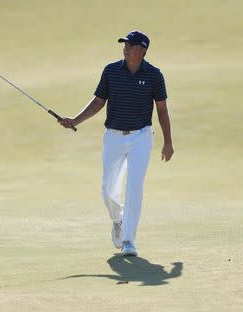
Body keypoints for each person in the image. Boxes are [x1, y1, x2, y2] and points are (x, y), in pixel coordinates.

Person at [59, 30, 174, 256]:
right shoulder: (111, 71)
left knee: (134, 188)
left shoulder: (154, 75)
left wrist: (168, 142)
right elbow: (98, 101)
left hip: (141, 136)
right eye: (124, 44)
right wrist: (75, 120)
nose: (126, 47)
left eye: (130, 45)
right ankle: (117, 220)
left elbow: (162, 110)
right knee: (108, 190)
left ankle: (129, 241)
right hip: (113, 136)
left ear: (143, 50)